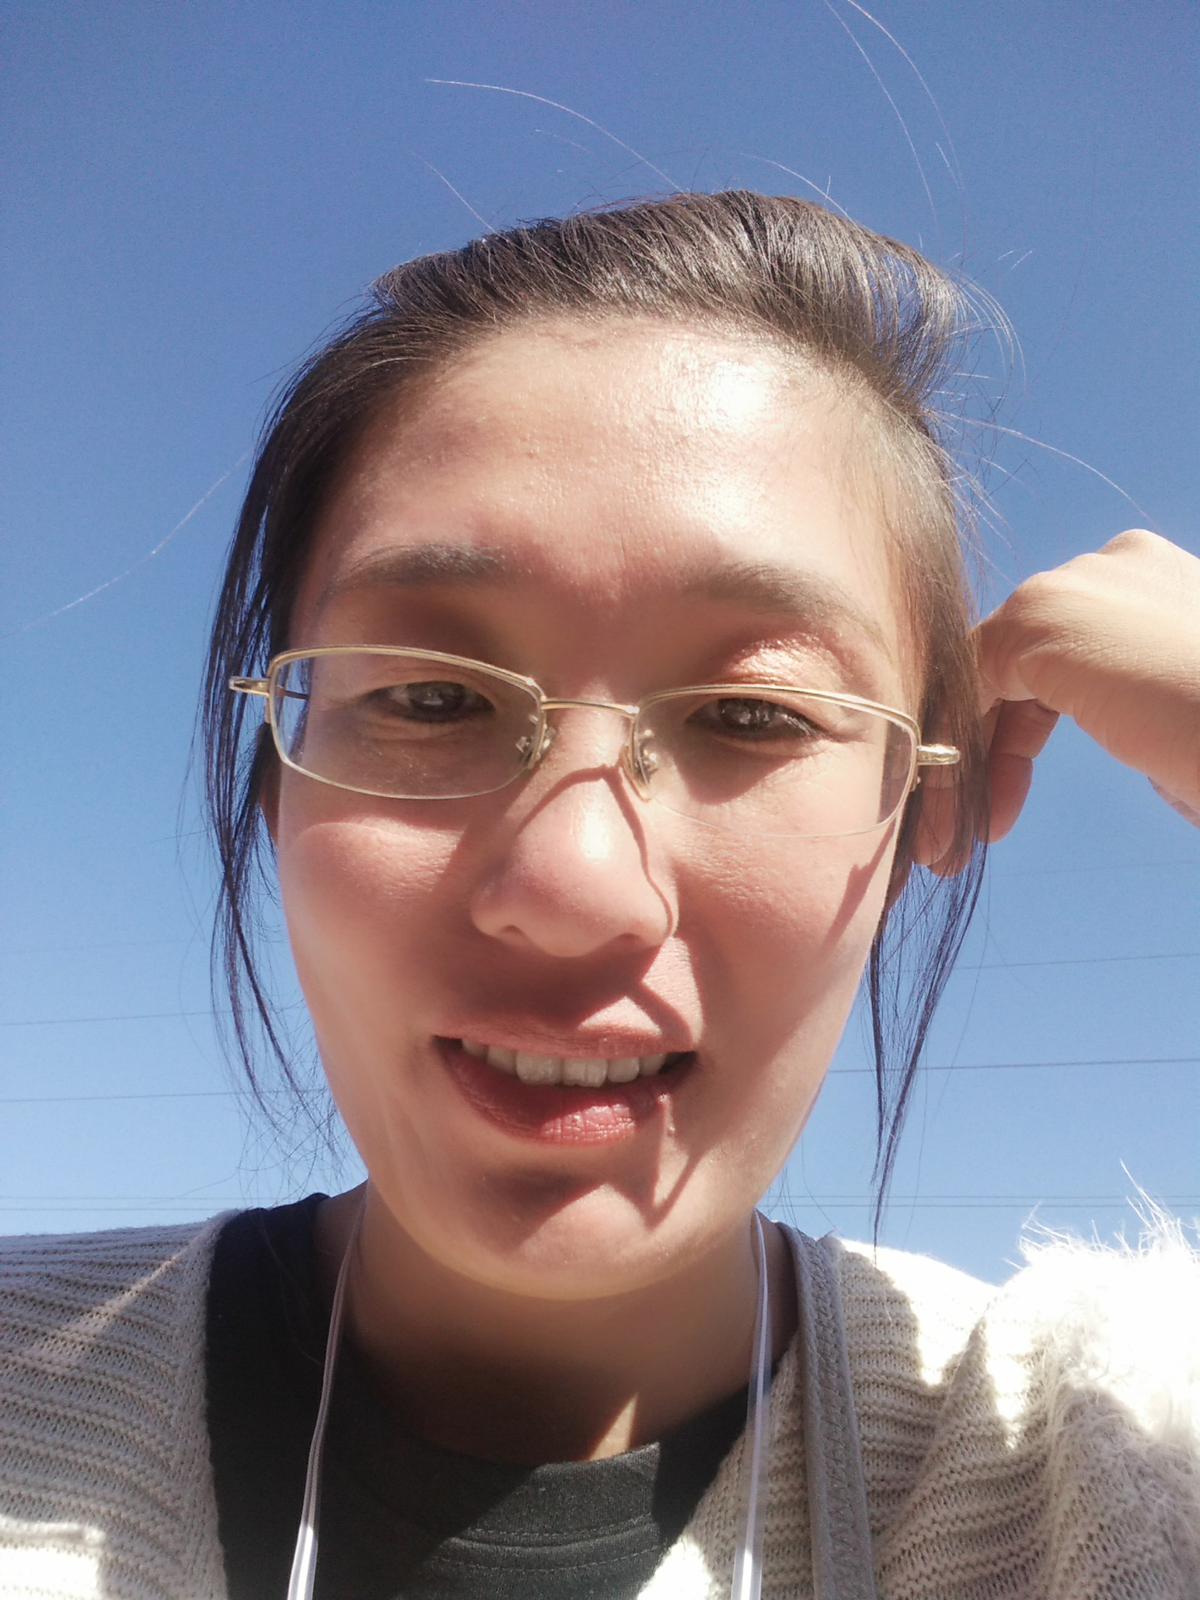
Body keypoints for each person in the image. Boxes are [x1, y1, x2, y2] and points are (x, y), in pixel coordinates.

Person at [2, 192, 1197, 1600]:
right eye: (431, 698)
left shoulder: (1112, 1456)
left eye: (752, 717)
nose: (572, 885)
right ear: (278, 786)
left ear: (926, 804)